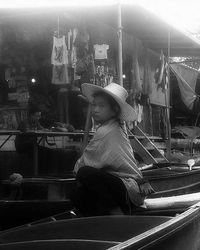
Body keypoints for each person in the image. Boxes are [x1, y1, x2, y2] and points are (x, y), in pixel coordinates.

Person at [70, 82, 154, 216]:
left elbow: (84, 166)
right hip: (126, 187)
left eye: (101, 106)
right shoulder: (115, 125)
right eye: (94, 105)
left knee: (84, 173)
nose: (95, 110)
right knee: (78, 193)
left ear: (114, 110)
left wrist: (77, 168)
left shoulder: (108, 130)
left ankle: (116, 213)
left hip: (128, 188)